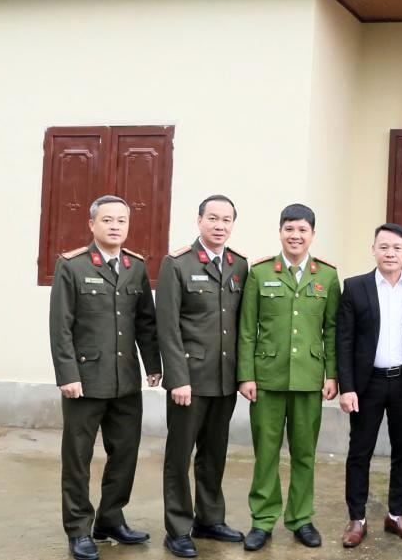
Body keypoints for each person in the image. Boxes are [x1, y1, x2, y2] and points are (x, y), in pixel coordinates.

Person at [49, 195, 161, 560]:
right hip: (84, 381)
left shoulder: (135, 266)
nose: (115, 226)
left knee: (125, 453)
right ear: (92, 224)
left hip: (125, 380)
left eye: (121, 220)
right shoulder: (72, 266)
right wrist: (68, 374)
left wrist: (153, 365)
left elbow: (145, 322)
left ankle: (110, 518)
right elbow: (60, 327)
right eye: (108, 220)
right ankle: (78, 528)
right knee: (78, 458)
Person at [237, 203, 340, 551]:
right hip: (267, 378)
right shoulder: (260, 272)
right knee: (266, 452)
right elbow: (247, 329)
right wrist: (246, 376)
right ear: (280, 232)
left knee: (304, 453)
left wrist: (332, 375)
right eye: (289, 229)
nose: (295, 236)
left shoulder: (327, 276)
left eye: (302, 230)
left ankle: (301, 518)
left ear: (312, 234)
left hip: (309, 378)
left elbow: (332, 329)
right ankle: (263, 520)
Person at [157, 195, 248, 557]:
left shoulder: (239, 265)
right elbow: (167, 327)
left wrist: (243, 375)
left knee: (214, 454)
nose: (219, 225)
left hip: (224, 379)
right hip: (190, 381)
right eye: (213, 218)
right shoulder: (177, 263)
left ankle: (209, 519)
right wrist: (178, 378)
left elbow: (242, 324)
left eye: (226, 220)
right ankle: (178, 528)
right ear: (199, 221)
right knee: (179, 456)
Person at [336, 223, 402, 548]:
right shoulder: (355, 287)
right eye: (384, 247)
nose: (390, 253)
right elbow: (344, 341)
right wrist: (347, 387)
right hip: (368, 385)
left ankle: (396, 515)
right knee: (359, 452)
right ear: (374, 250)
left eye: (396, 247)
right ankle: (357, 519)